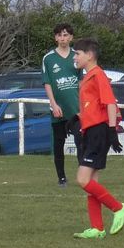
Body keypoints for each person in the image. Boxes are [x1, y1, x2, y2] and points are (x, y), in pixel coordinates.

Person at [72, 37, 124, 240]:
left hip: (99, 131)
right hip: (91, 131)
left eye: (77, 54)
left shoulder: (98, 75)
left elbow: (110, 103)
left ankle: (119, 208)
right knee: (92, 182)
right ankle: (97, 228)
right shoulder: (88, 76)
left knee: (82, 179)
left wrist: (112, 130)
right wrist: (79, 121)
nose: (75, 57)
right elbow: (92, 107)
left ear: (89, 55)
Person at [41, 21, 81, 187]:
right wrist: (53, 104)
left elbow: (82, 81)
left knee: (81, 141)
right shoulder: (48, 58)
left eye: (66, 35)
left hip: (76, 110)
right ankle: (62, 178)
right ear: (55, 38)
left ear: (71, 37)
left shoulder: (77, 56)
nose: (63, 38)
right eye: (59, 35)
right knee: (59, 144)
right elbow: (47, 83)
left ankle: (83, 176)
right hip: (59, 109)